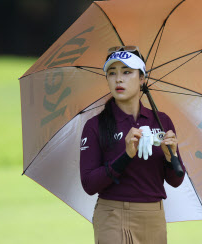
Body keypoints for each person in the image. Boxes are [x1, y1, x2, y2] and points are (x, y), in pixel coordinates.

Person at [79, 46, 187, 244]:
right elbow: (89, 184)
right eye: (112, 73)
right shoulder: (95, 125)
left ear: (142, 79)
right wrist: (126, 155)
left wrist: (172, 157)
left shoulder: (161, 121)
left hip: (153, 217)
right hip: (112, 215)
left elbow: (176, 180)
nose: (118, 79)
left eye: (127, 72)